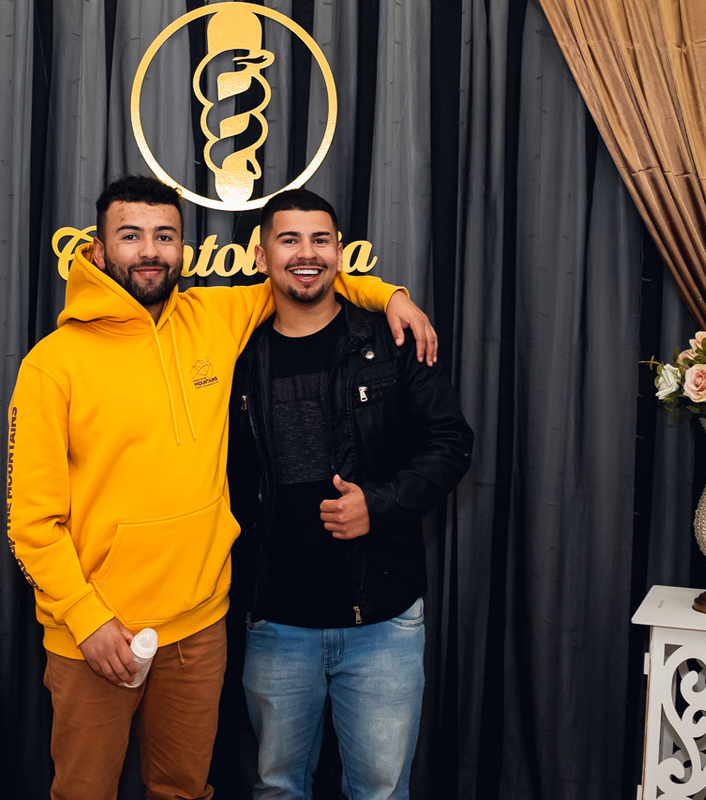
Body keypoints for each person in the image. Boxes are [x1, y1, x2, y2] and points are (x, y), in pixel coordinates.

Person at [6, 175, 437, 800]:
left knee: (184, 791)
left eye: (165, 236)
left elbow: (306, 275)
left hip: (198, 629)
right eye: (130, 236)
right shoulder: (52, 363)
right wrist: (85, 618)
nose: (149, 251)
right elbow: (30, 522)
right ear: (97, 249)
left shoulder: (214, 317)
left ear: (183, 248)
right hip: (97, 633)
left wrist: (389, 296)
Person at [228, 189, 474, 799]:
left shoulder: (391, 339)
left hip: (382, 621)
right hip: (276, 621)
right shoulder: (235, 353)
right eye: (289, 239)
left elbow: (452, 442)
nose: (306, 254)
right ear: (261, 256)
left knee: (381, 792)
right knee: (277, 789)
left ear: (340, 252)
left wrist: (380, 503)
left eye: (320, 239)